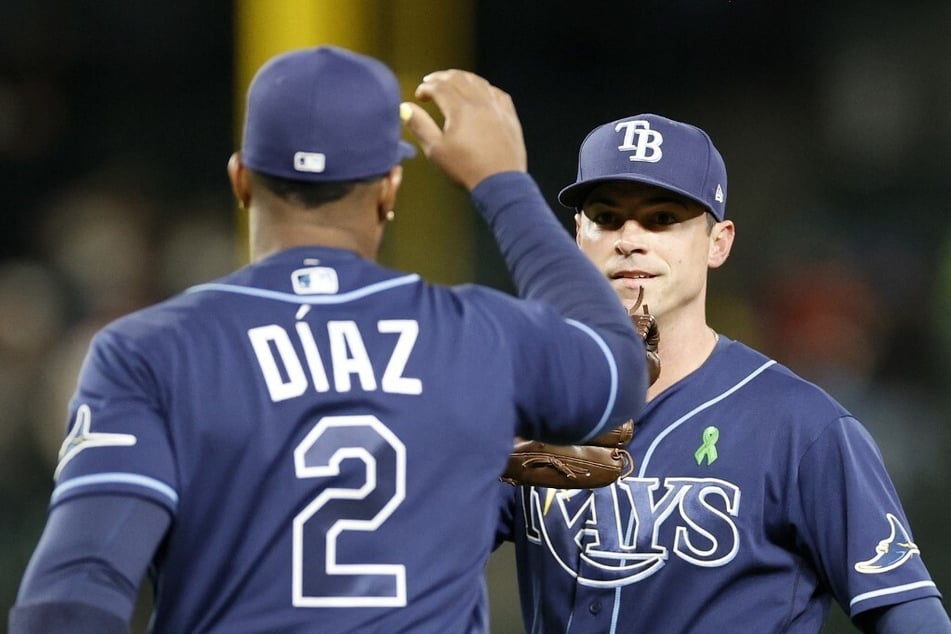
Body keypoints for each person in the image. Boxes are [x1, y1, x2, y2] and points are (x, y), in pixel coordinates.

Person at [8, 47, 650, 633]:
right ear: (389, 191)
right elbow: (615, 367)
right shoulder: (480, 335)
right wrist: (501, 183)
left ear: (240, 180)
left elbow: (72, 597)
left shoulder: (149, 352)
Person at [496, 113, 951, 632]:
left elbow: (910, 614)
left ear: (719, 242)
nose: (630, 239)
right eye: (606, 217)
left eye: (662, 218)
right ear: (579, 235)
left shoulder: (801, 427)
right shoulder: (534, 411)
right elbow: (414, 552)